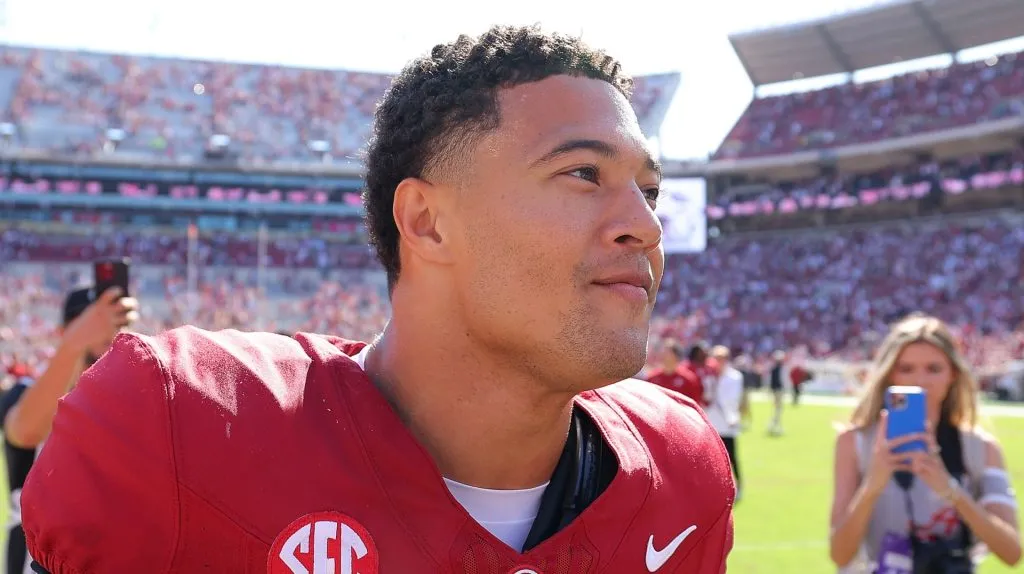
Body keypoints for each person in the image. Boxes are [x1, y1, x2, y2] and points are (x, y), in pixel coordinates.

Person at [24, 26, 735, 574]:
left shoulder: (680, 471)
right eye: (584, 173)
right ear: (426, 221)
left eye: (648, 191)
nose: (644, 227)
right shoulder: (180, 424)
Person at [829, 314, 1021, 573]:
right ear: (889, 375)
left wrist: (951, 491)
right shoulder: (855, 442)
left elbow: (1011, 553)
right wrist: (872, 486)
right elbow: (840, 554)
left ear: (953, 373)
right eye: (906, 369)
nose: (920, 379)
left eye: (934, 368)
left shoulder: (981, 447)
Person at [0, 286, 137, 574]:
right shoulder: (27, 394)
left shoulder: (131, 404)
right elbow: (24, 432)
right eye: (88, 320)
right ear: (65, 332)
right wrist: (75, 345)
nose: (102, 330)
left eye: (114, 321)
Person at [705, 346, 744, 501]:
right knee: (712, 458)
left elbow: (731, 399)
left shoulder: (734, 377)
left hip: (727, 423)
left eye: (721, 358)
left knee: (732, 457)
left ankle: (739, 485)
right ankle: (715, 487)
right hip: (712, 423)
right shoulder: (709, 376)